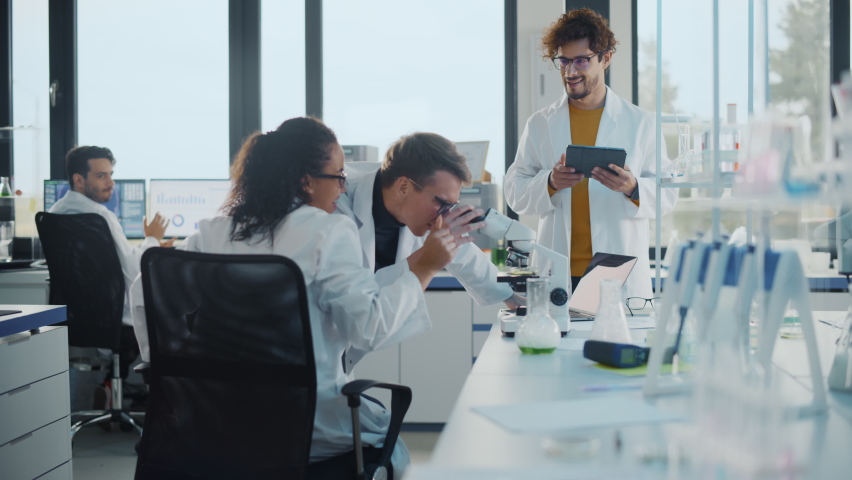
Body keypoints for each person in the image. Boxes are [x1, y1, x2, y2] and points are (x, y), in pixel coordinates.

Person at [130, 118, 466, 477]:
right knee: (394, 450)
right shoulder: (329, 231)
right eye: (338, 176)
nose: (343, 188)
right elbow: (368, 328)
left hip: (213, 422)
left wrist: (184, 379)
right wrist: (425, 268)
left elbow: (143, 295)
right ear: (306, 182)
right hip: (307, 430)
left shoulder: (213, 232)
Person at [504, 8, 677, 299]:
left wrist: (632, 187)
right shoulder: (540, 123)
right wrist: (550, 182)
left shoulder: (642, 123)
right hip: (559, 266)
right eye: (564, 61)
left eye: (581, 60)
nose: (570, 72)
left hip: (617, 268)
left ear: (605, 58)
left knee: (615, 344)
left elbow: (668, 194)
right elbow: (514, 190)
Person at [335, 133, 523, 368]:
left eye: (451, 206)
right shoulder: (335, 204)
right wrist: (426, 262)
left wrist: (514, 298)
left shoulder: (415, 205)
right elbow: (358, 305)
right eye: (441, 203)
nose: (444, 215)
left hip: (346, 356)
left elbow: (459, 249)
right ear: (404, 186)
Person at [49, 146, 172, 401]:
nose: (111, 183)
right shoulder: (100, 216)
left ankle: (110, 387)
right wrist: (152, 239)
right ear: (79, 180)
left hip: (75, 320)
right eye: (101, 176)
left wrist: (149, 247)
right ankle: (166, 405)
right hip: (113, 322)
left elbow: (109, 261)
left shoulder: (53, 214)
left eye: (111, 175)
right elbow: (132, 269)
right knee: (169, 320)